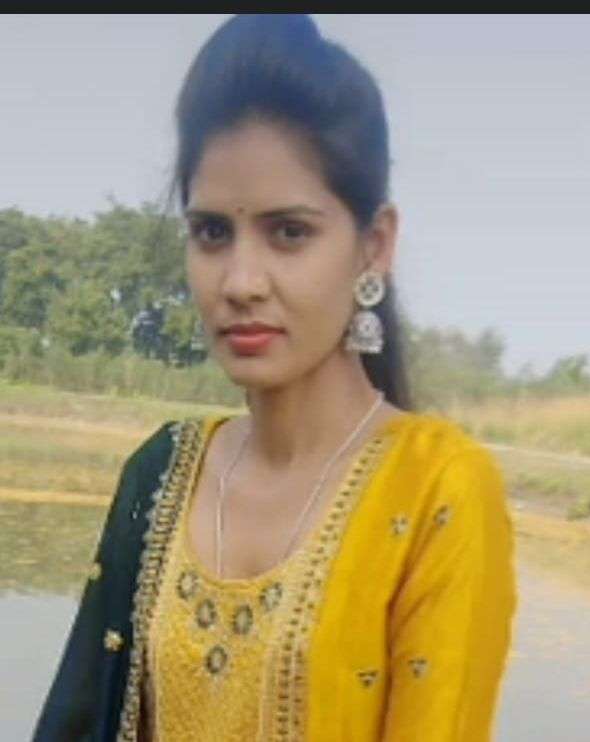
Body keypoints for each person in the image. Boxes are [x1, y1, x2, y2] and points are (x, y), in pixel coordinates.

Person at [32, 14, 518, 742]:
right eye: (211, 233)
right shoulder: (161, 472)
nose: (240, 281)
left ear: (374, 246)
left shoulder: (437, 491)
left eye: (289, 232)